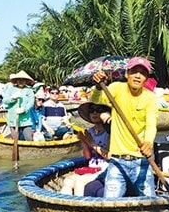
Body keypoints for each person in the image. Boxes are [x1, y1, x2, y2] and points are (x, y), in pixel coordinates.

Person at [91, 56, 158, 198]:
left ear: (146, 78)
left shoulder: (150, 98)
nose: (138, 76)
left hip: (141, 160)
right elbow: (97, 99)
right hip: (117, 161)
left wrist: (148, 143)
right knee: (109, 203)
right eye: (134, 72)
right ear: (127, 74)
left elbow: (151, 124)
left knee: (150, 204)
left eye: (143, 73)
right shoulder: (116, 88)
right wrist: (98, 86)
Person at [61, 102, 111, 196]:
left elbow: (109, 156)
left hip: (103, 170)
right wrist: (84, 141)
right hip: (90, 168)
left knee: (79, 182)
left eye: (99, 111)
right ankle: (64, 207)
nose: (94, 113)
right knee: (68, 181)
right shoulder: (90, 131)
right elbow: (88, 157)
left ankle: (78, 208)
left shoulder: (109, 133)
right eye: (92, 111)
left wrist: (91, 142)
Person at [1, 70, 35, 141]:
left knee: (29, 138)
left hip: (25, 119)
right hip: (13, 118)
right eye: (19, 79)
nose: (21, 81)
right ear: (16, 80)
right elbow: (5, 100)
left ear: (26, 81)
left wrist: (24, 109)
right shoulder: (11, 89)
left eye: (23, 80)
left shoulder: (29, 90)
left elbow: (31, 102)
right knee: (16, 139)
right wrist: (12, 98)